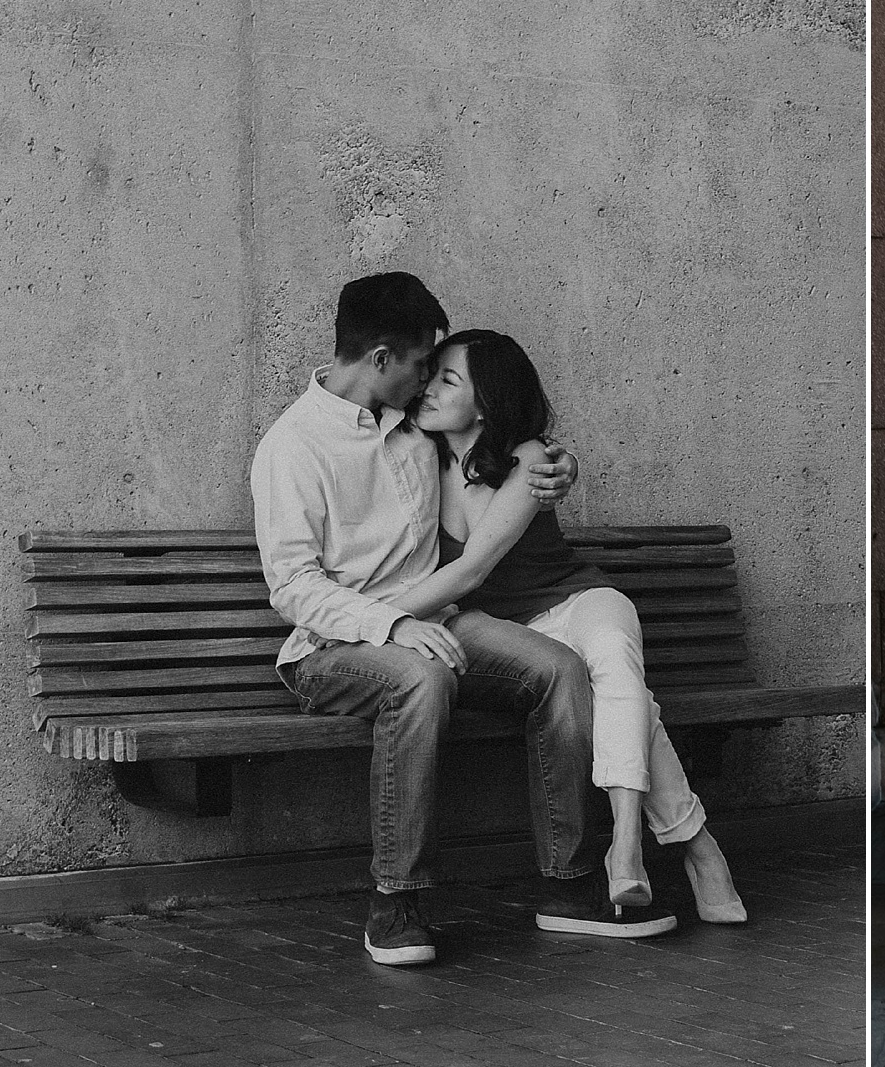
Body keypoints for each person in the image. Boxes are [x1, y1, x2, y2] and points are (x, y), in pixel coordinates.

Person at [250, 272, 677, 968]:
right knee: (420, 679)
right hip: (331, 648)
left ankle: (569, 885)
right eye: (422, 362)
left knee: (559, 669)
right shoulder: (292, 448)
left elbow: (501, 439)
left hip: (440, 623)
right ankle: (397, 900)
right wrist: (388, 627)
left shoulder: (416, 427)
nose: (428, 380)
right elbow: (294, 588)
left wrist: (557, 466)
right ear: (382, 358)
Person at [396, 328, 747, 924]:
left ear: (486, 401)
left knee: (614, 660)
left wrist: (382, 615)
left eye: (447, 380)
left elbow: (472, 568)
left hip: (579, 599)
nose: (427, 388)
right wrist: (377, 619)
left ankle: (627, 848)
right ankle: (697, 847)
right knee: (634, 703)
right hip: (518, 634)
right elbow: (464, 582)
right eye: (430, 376)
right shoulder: (416, 458)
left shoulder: (530, 460)